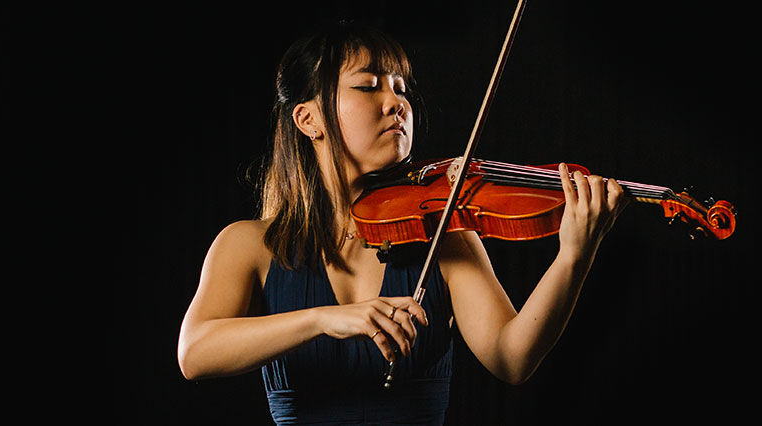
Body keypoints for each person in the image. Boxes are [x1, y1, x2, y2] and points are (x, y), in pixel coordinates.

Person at [176, 22, 626, 425]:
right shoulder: (249, 244)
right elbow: (194, 352)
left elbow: (511, 358)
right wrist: (325, 319)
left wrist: (573, 257)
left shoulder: (443, 230)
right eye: (369, 86)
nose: (397, 103)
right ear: (308, 118)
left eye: (401, 87)